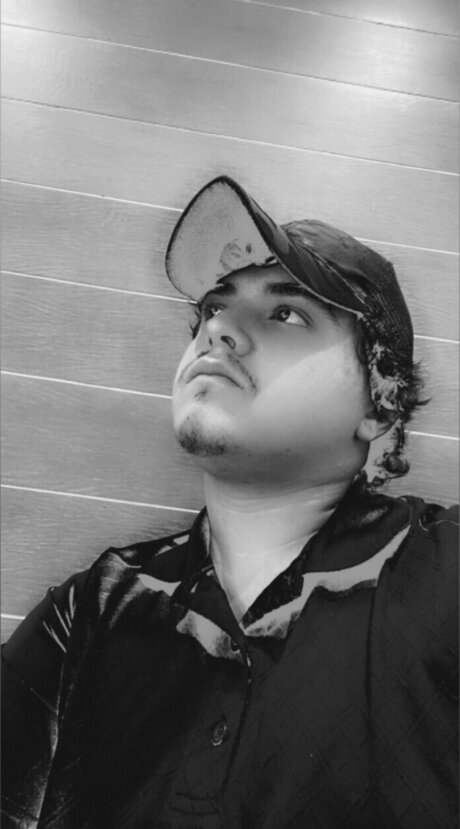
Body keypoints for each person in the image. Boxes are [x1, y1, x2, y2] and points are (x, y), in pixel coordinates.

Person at [2, 176, 458, 829]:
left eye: (286, 313)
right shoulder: (91, 611)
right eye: (214, 306)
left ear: (380, 400)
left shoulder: (444, 577)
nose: (219, 331)